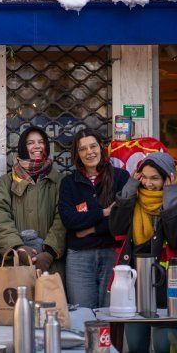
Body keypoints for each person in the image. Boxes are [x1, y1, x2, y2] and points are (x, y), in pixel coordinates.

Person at [109, 152, 177, 353]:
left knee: (164, 345)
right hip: (135, 283)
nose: (148, 183)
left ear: (168, 178)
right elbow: (116, 228)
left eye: (154, 178)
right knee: (136, 345)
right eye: (144, 177)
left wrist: (170, 200)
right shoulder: (134, 197)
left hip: (168, 284)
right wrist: (128, 192)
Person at [58, 128, 129, 309]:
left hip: (112, 253)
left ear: (101, 148)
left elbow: (122, 220)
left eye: (93, 146)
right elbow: (69, 220)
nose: (89, 152)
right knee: (82, 315)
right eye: (83, 149)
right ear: (77, 154)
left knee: (112, 314)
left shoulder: (120, 177)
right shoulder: (68, 183)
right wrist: (104, 213)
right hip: (79, 258)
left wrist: (90, 229)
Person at [0, 126, 65, 274]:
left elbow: (62, 219)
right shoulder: (5, 182)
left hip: (51, 265)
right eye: (30, 143)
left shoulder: (59, 181)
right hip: (15, 265)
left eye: (41, 142)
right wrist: (18, 248)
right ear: (23, 148)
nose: (37, 146)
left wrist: (49, 252)